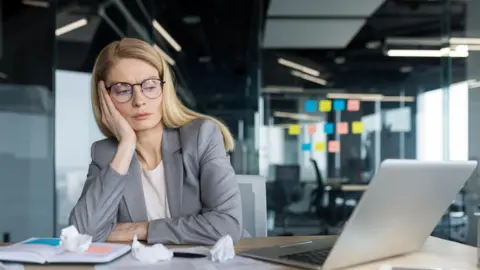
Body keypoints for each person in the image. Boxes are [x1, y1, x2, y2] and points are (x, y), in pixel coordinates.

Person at [69, 38, 244, 245]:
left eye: (150, 86)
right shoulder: (106, 154)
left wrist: (142, 229)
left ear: (164, 89)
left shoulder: (201, 136)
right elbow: (82, 234)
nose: (139, 100)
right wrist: (126, 146)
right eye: (123, 90)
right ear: (105, 98)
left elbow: (227, 226)